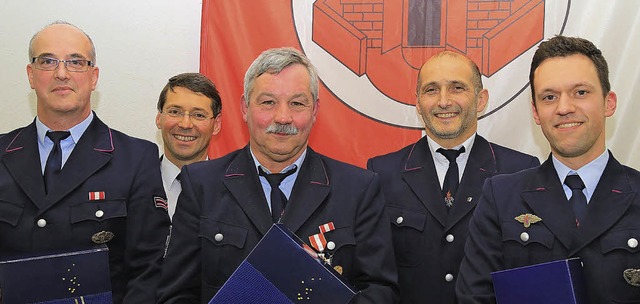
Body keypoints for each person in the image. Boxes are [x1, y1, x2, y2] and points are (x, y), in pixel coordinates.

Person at [157, 47, 398, 303]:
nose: (283, 117)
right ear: (245, 107)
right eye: (268, 102)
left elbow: (381, 293)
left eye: (296, 103)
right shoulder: (202, 184)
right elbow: (175, 295)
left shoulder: (358, 189)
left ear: (315, 111)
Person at [456, 35, 639, 303]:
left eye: (581, 92)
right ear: (536, 112)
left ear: (608, 102)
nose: (564, 108)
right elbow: (475, 297)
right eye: (549, 96)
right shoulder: (501, 198)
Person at [0, 21, 170, 303]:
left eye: (76, 62)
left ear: (94, 77)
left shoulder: (136, 158)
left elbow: (147, 271)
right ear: (31, 75)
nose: (62, 73)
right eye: (48, 61)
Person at [367, 51, 540, 303]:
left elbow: (527, 272)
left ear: (481, 100)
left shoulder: (520, 171)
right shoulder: (382, 173)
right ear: (417, 103)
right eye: (431, 90)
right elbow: (375, 278)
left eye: (457, 88)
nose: (444, 101)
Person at [156, 72, 222, 220]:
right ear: (159, 118)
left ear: (216, 125)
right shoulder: (131, 184)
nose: (185, 124)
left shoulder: (234, 192)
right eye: (175, 112)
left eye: (198, 115)